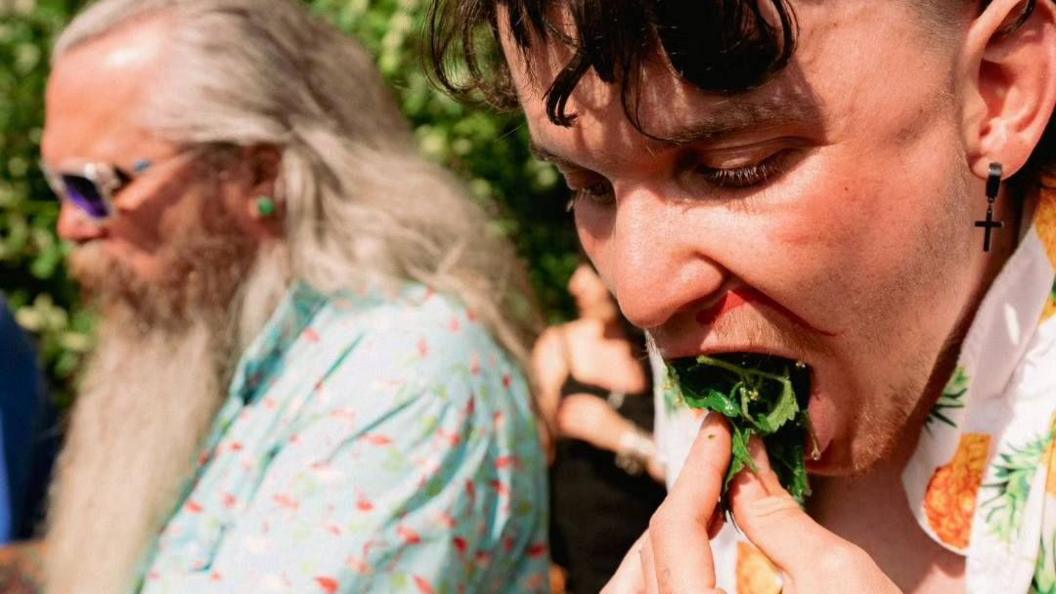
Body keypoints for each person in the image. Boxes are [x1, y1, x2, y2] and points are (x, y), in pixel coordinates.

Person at [427, 0, 1056, 592]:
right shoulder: (737, 358)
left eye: (738, 166)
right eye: (586, 185)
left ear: (998, 88)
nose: (640, 294)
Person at [4, 0, 552, 592]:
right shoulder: (230, 353)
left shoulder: (405, 373)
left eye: (94, 185)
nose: (72, 226)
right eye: (58, 186)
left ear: (259, 174)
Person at [532, 263, 665, 594]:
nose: (576, 284)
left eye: (591, 270)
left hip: (649, 547)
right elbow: (532, 454)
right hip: (578, 557)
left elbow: (684, 464)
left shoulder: (660, 354)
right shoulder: (558, 345)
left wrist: (621, 436)